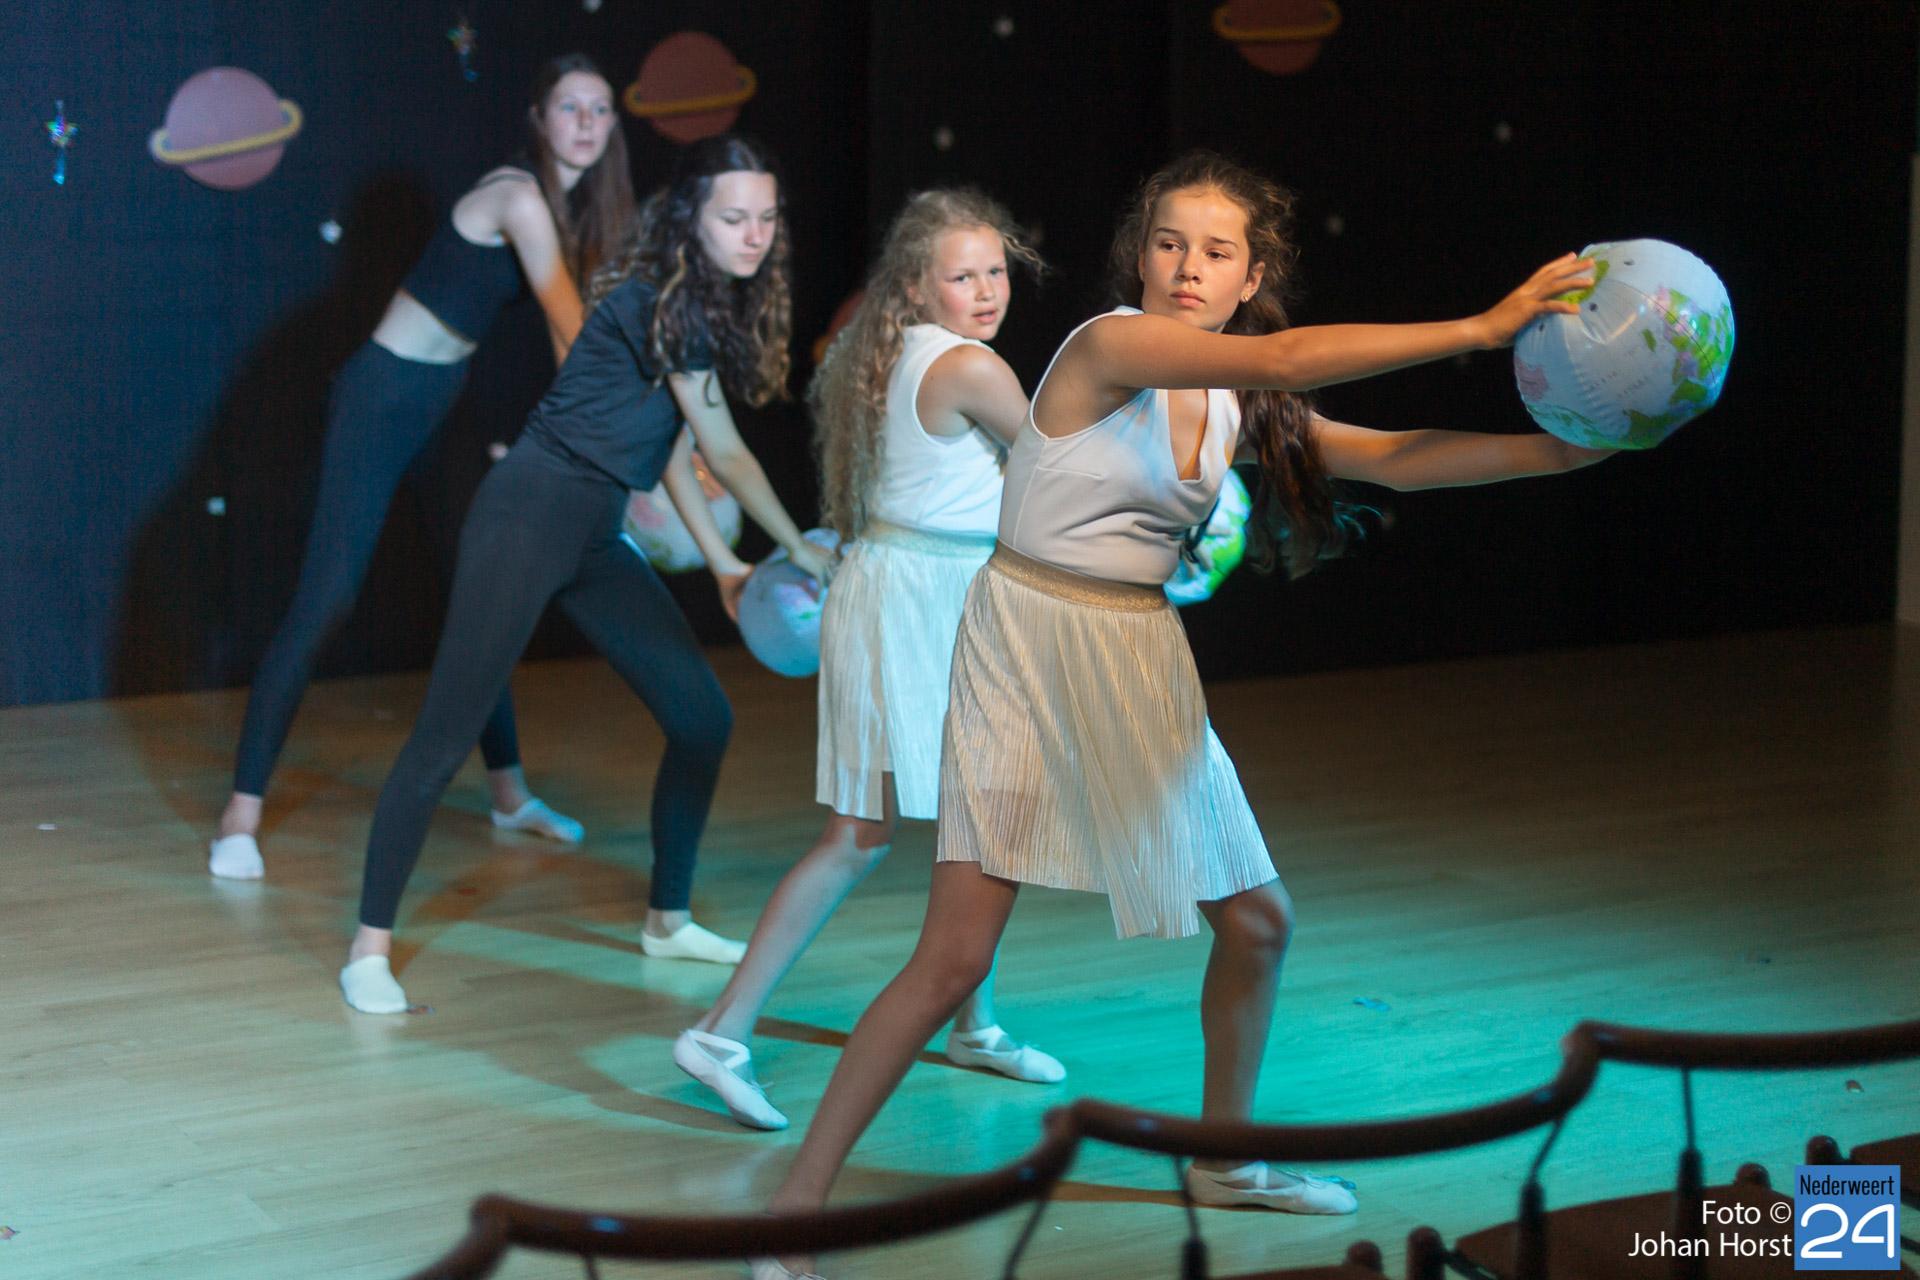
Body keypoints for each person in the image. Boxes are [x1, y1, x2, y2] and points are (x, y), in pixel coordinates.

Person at [756, 152, 1610, 1275]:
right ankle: (795, 1209)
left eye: (1216, 252)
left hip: (1135, 652)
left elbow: (1394, 461)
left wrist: (1562, 451)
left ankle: (1225, 1161)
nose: (1186, 268)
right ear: (1140, 258)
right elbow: (1290, 354)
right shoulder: (1108, 347)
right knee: (954, 959)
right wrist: (1483, 328)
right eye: (1168, 244)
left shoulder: (1231, 395)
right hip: (1026, 642)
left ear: (1251, 276)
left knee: (1258, 923)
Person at [336, 135, 835, 1015]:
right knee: (443, 740)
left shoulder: (689, 303)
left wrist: (724, 559)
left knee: (702, 718)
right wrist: (798, 546)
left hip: (594, 534)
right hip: (526, 517)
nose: (754, 234)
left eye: (766, 218)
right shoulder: (666, 300)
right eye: (734, 217)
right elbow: (722, 450)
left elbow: (669, 445)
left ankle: (667, 920)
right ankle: (367, 951)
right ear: (690, 218)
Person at [675, 190, 1062, 1131]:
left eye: (996, 271)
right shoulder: (967, 365)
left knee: (978, 822)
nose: (986, 291)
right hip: (922, 605)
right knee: (864, 833)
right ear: (918, 286)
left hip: (918, 593)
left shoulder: (887, 349)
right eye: (962, 275)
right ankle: (720, 1031)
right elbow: (1061, 465)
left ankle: (974, 1023)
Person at [210, 54, 636, 880]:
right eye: (569, 107)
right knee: (327, 600)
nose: (586, 123)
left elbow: (585, 335)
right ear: (539, 118)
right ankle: (240, 817)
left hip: (446, 402)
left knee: (487, 592)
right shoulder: (517, 195)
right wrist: (622, 440)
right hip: (382, 395)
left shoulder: (575, 212)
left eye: (600, 108)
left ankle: (509, 796)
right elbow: (571, 329)